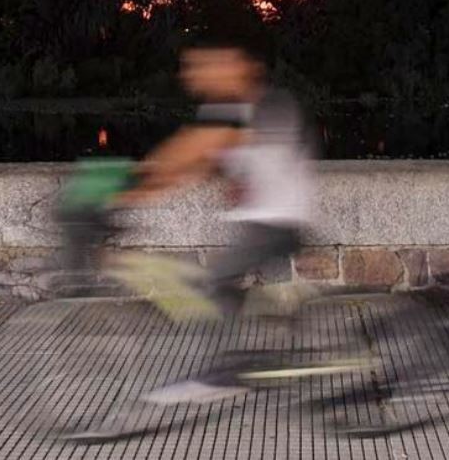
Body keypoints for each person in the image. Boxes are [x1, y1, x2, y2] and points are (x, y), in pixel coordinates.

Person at [124, 43, 316, 405]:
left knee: (212, 285)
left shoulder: (268, 104)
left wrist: (123, 188)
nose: (194, 74)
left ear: (240, 66)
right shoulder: (225, 109)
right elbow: (193, 166)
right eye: (192, 67)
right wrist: (140, 193)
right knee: (228, 288)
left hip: (277, 223)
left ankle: (220, 377)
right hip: (258, 223)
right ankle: (267, 342)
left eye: (206, 65)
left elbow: (194, 145)